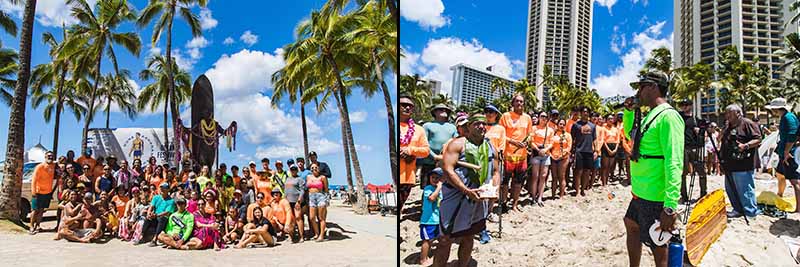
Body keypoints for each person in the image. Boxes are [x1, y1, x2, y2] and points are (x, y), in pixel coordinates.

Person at [623, 71, 684, 267]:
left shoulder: (669, 117)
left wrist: (670, 205)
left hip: (655, 194)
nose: (638, 92)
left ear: (653, 87)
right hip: (640, 191)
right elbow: (630, 135)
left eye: (641, 87)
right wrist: (629, 112)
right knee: (631, 224)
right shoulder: (651, 115)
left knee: (658, 243)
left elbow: (674, 161)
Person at [435, 113, 501, 267]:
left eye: (483, 123)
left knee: (469, 236)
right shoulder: (457, 144)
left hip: (479, 199)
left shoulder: (491, 148)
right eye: (476, 123)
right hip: (456, 197)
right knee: (445, 239)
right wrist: (466, 191)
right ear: (469, 126)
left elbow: (496, 172)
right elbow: (448, 170)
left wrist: (494, 189)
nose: (481, 126)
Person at [719, 104, 762, 219]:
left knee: (745, 188)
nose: (727, 115)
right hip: (729, 163)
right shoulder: (727, 126)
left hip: (743, 163)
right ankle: (737, 209)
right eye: (726, 113)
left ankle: (750, 211)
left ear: (738, 113)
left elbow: (758, 139)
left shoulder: (747, 123)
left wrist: (746, 145)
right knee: (731, 189)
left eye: (730, 113)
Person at [499, 94, 533, 212]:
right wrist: (513, 142)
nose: (519, 103)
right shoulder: (505, 116)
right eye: (517, 101)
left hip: (522, 156)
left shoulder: (527, 118)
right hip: (507, 155)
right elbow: (501, 134)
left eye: (521, 101)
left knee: (518, 182)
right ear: (513, 103)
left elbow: (530, 134)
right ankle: (504, 203)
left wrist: (527, 142)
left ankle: (514, 204)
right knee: (505, 182)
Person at [766, 97, 800, 211]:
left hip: (789, 154)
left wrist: (787, 151)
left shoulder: (788, 117)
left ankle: (799, 208)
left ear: (775, 109)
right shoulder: (786, 117)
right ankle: (780, 194)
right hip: (783, 153)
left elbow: (793, 135)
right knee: (780, 174)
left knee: (794, 180)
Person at [399, 94, 430, 212]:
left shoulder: (419, 129)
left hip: (408, 177)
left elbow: (426, 151)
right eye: (403, 105)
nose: (407, 108)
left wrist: (410, 151)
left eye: (410, 106)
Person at [420, 103, 458, 190]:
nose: (444, 111)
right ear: (435, 112)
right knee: (428, 188)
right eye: (441, 109)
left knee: (444, 188)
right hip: (429, 162)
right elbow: (423, 143)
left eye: (446, 110)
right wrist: (434, 156)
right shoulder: (427, 125)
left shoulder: (453, 127)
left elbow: (455, 142)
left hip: (446, 162)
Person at [679, 100, 708, 203]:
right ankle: (684, 196)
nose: (684, 107)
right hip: (683, 148)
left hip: (696, 148)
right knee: (682, 174)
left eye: (686, 105)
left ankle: (703, 194)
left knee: (702, 172)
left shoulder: (696, 119)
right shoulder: (679, 117)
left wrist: (700, 132)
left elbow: (704, 134)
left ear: (691, 106)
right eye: (682, 105)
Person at [482, 104, 505, 228]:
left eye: (491, 112)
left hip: (495, 160)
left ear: (496, 114)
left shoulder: (500, 129)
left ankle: (490, 211)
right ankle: (482, 212)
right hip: (482, 160)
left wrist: (499, 155)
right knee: (483, 186)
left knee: (494, 186)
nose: (489, 114)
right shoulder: (481, 126)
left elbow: (502, 145)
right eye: (487, 111)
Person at [419, 168, 443, 266]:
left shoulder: (441, 190)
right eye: (433, 177)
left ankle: (427, 255)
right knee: (427, 241)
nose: (435, 179)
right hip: (428, 220)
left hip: (437, 220)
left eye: (437, 178)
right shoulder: (428, 188)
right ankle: (422, 259)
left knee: (432, 239)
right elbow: (432, 198)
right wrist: (439, 187)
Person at [571, 106, 597, 196]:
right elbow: (572, 138)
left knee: (587, 172)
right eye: (583, 111)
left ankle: (583, 190)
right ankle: (577, 191)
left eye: (587, 112)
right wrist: (572, 152)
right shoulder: (576, 125)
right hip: (579, 151)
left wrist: (596, 151)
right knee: (578, 171)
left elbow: (594, 139)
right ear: (581, 113)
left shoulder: (593, 126)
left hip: (589, 151)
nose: (585, 113)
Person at [529, 111, 553, 206]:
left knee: (543, 176)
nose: (544, 118)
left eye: (546, 117)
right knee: (535, 176)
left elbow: (551, 142)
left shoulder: (550, 130)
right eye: (542, 116)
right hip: (536, 154)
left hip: (546, 154)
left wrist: (545, 150)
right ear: (538, 117)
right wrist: (538, 150)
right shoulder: (534, 128)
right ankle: (533, 197)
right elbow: (531, 141)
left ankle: (540, 197)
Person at [30, 151, 56, 235]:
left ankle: (38, 225)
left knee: (41, 210)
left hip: (47, 193)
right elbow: (34, 180)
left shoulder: (54, 166)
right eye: (48, 156)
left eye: (52, 156)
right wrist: (33, 192)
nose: (50, 157)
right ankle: (31, 226)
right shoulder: (40, 167)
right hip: (38, 192)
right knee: (35, 210)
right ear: (45, 157)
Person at [550, 119, 573, 198]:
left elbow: (569, 147)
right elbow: (549, 145)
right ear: (557, 125)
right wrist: (551, 155)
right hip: (553, 157)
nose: (562, 126)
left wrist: (563, 154)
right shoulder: (553, 134)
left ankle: (561, 195)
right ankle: (553, 195)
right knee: (554, 177)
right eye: (560, 124)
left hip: (563, 158)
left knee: (561, 176)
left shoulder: (568, 135)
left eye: (563, 124)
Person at [307, 163, 329, 242]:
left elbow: (326, 189)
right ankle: (316, 233)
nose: (314, 169)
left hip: (320, 197)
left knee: (321, 217)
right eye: (312, 168)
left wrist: (327, 200)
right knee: (312, 217)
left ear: (319, 169)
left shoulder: (322, 177)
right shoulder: (308, 177)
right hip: (311, 197)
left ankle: (321, 235)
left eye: (316, 167)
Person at [285, 164, 306, 242]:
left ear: (297, 170)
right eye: (291, 169)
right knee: (291, 219)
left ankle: (301, 236)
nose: (293, 171)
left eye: (294, 169)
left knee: (298, 218)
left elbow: (302, 190)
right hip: (288, 201)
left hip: (297, 201)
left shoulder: (300, 179)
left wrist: (299, 201)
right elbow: (285, 190)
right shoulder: (287, 179)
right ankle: (291, 236)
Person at [601, 114, 621, 187]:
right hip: (606, 147)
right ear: (606, 120)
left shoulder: (615, 129)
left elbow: (618, 140)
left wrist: (615, 149)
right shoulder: (604, 128)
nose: (610, 120)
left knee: (610, 166)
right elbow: (603, 140)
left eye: (612, 119)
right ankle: (604, 183)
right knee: (605, 166)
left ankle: (607, 180)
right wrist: (608, 149)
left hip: (614, 146)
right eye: (609, 119)